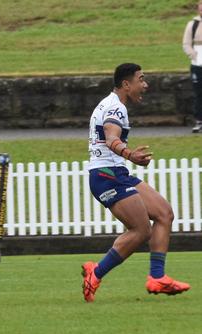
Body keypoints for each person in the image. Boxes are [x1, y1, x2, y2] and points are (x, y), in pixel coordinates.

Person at [82, 63, 191, 302]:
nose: (145, 85)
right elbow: (111, 138)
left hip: (116, 173)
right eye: (141, 79)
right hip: (106, 175)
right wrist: (130, 154)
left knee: (164, 213)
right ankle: (96, 273)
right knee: (141, 230)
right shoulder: (116, 108)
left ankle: (157, 278)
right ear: (126, 84)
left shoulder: (111, 103)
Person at [182, 1, 202, 133]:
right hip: (197, 64)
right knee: (198, 93)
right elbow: (186, 43)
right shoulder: (192, 24)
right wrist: (194, 55)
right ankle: (199, 121)